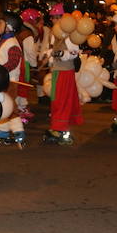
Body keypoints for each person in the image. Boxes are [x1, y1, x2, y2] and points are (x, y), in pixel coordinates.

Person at [0, 11, 26, 147]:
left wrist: (0, 70)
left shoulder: (12, 43)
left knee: (10, 107)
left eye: (1, 23)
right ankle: (3, 130)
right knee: (2, 106)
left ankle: (19, 131)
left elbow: (13, 61)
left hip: (10, 81)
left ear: (9, 27)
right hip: (0, 79)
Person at [42, 14, 83, 146]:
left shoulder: (70, 34)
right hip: (57, 72)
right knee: (56, 100)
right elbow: (54, 51)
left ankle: (61, 129)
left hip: (65, 72)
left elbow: (74, 52)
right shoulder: (56, 33)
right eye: (52, 18)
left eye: (55, 17)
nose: (53, 20)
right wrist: (49, 55)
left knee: (62, 100)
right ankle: (57, 126)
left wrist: (61, 54)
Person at [16, 8, 44, 121]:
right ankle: (21, 109)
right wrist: (34, 64)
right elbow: (30, 52)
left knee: (19, 86)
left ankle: (19, 108)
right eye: (39, 21)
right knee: (23, 85)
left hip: (19, 62)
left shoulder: (21, 32)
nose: (40, 24)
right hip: (24, 63)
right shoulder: (28, 35)